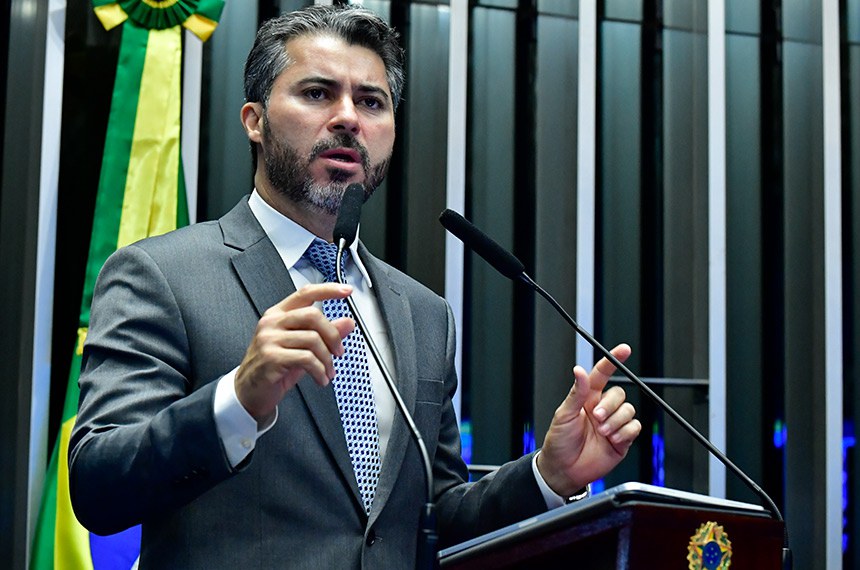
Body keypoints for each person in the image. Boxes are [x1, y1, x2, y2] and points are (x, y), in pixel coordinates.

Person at [69, 5, 641, 568]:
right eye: (317, 94)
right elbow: (99, 487)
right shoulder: (161, 275)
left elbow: (431, 521)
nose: (348, 117)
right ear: (254, 119)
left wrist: (548, 475)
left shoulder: (423, 313)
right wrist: (238, 400)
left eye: (371, 102)